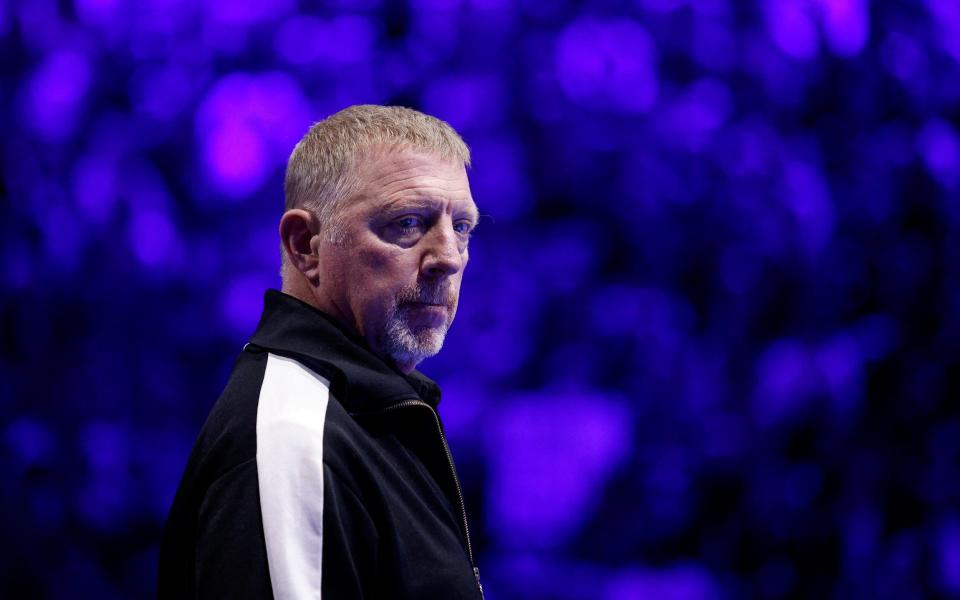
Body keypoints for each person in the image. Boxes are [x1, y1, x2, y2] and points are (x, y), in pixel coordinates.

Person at [157, 105, 484, 599]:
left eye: (461, 226)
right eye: (408, 222)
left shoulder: (365, 416)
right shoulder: (296, 436)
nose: (448, 257)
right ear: (306, 244)